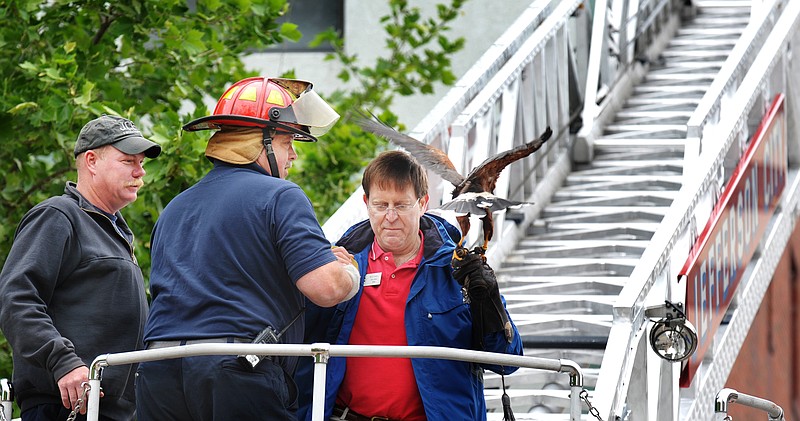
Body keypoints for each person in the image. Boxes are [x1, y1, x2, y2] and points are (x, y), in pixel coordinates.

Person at [135, 76, 360, 421]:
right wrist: (349, 272)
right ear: (262, 141)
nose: (294, 155)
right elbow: (326, 288)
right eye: (288, 142)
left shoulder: (175, 208)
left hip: (156, 372)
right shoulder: (281, 196)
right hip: (235, 370)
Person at [298, 150, 524, 421]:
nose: (390, 216)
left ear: (423, 203)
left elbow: (507, 361)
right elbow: (299, 348)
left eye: (402, 205)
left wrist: (489, 301)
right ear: (366, 203)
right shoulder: (339, 268)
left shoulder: (459, 270)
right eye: (381, 205)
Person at [0, 115, 162, 421]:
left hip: (113, 409)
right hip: (66, 406)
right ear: (91, 161)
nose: (140, 172)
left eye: (142, 163)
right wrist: (63, 363)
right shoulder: (58, 216)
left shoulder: (115, 231)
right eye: (128, 161)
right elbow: (16, 299)